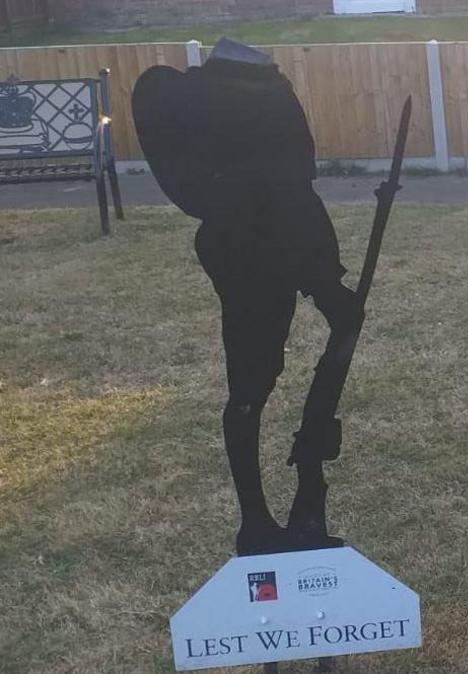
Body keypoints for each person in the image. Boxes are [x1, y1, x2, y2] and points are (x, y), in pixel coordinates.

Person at [133, 38, 362, 555]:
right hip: (250, 250)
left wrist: (327, 278)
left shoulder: (255, 92)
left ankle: (299, 482)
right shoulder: (219, 98)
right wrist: (325, 281)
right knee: (251, 382)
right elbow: (288, 189)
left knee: (268, 372)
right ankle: (256, 521)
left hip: (265, 242)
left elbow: (295, 187)